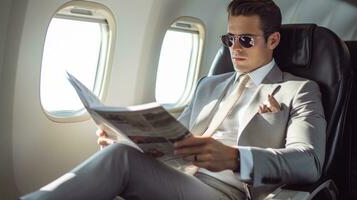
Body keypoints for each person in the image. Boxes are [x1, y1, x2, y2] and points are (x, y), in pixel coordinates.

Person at [21, 0, 326, 199]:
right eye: (229, 39)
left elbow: (308, 160)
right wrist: (125, 139)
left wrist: (234, 157)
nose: (235, 48)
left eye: (245, 40)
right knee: (121, 153)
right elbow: (172, 144)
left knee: (121, 162)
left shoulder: (298, 89)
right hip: (179, 177)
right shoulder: (208, 85)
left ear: (273, 40)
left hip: (229, 191)